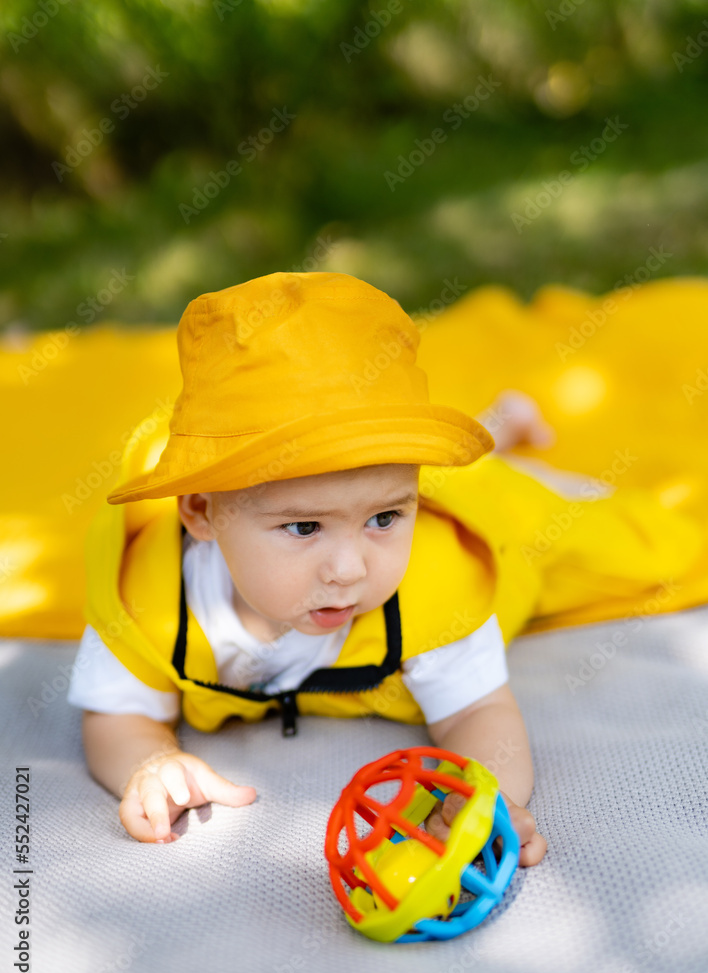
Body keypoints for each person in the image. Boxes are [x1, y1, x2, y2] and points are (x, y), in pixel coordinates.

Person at [68, 271, 697, 864]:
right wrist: (148, 762)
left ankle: (498, 430)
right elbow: (118, 715)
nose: (349, 569)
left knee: (631, 540)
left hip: (498, 516)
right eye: (303, 527)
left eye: (385, 520)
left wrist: (486, 794)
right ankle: (497, 422)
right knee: (430, 479)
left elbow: (477, 714)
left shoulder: (436, 585)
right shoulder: (146, 599)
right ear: (201, 514)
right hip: (412, 488)